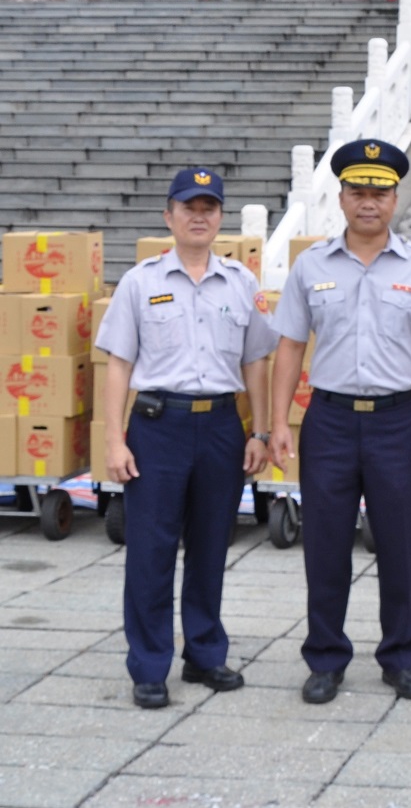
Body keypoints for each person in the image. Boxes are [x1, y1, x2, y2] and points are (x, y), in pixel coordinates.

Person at [268, 139, 411, 705]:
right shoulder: (312, 265)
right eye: (357, 192)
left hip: (399, 421)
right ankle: (325, 658)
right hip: (328, 419)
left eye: (379, 192)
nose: (368, 203)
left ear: (395, 199)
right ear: (342, 199)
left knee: (399, 542)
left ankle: (402, 658)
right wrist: (279, 421)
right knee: (324, 544)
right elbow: (290, 347)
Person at [97, 168, 277, 709]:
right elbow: (118, 366)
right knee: (150, 550)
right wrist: (114, 439)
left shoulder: (241, 283)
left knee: (210, 546)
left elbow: (257, 363)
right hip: (158, 426)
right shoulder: (141, 282)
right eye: (189, 207)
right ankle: (149, 665)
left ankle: (204, 653)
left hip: (222, 427)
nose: (199, 217)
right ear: (168, 215)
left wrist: (260, 431)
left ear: (219, 217)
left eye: (209, 207)